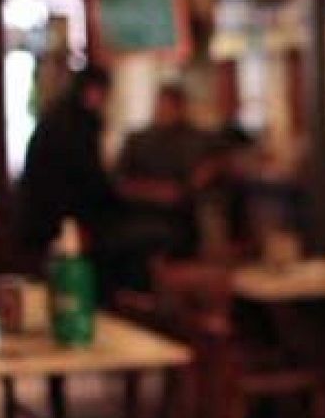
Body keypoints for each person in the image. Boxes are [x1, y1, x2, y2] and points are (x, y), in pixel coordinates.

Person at [12, 63, 121, 291]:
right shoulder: (79, 123)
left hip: (36, 217)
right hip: (59, 219)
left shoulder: (56, 116)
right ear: (94, 91)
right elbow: (88, 179)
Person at [112, 82, 221, 276]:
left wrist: (188, 187)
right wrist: (153, 191)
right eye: (160, 105)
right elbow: (119, 182)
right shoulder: (138, 140)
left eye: (169, 106)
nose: (163, 111)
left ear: (181, 108)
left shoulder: (197, 140)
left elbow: (201, 179)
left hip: (180, 217)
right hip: (137, 213)